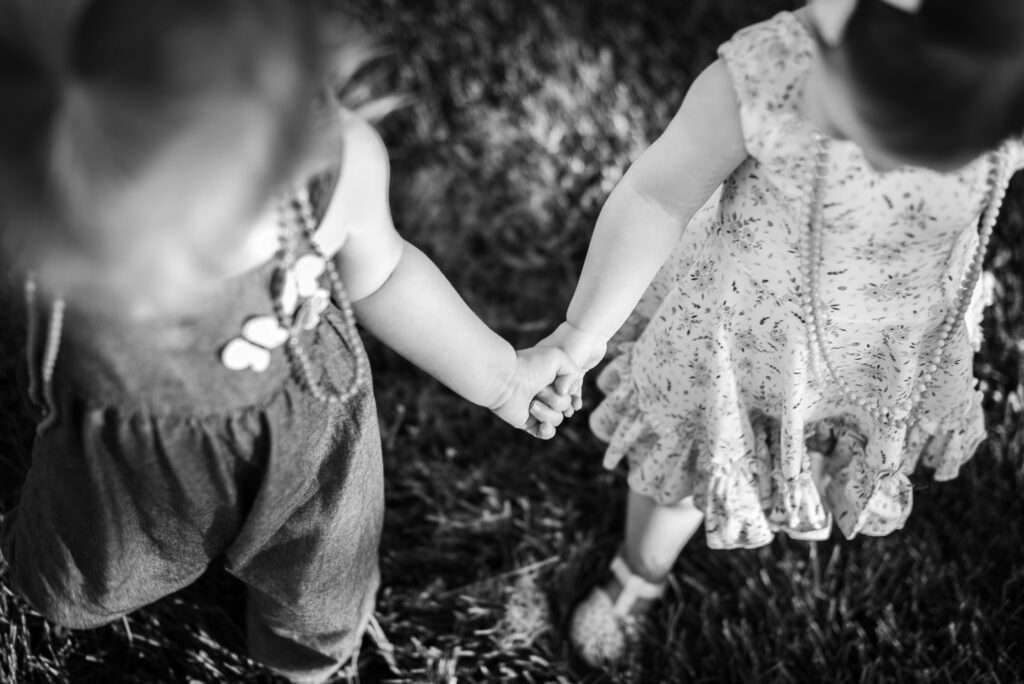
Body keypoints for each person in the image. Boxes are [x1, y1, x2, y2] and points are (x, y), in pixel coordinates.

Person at [0, 0, 577, 681]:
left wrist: (504, 378)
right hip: (125, 455)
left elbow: (384, 272)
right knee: (102, 564)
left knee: (319, 579)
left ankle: (306, 659)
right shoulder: (41, 208)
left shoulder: (333, 166)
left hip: (308, 440)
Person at [537, 0, 1024, 666]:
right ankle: (640, 569)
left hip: (890, 341)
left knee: (834, 440)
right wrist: (580, 330)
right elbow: (656, 196)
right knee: (692, 466)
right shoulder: (767, 76)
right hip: (741, 343)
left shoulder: (1005, 80)